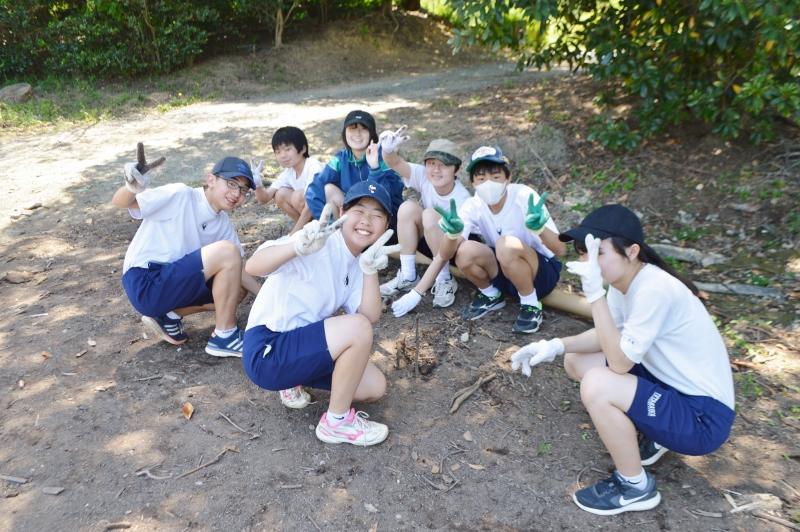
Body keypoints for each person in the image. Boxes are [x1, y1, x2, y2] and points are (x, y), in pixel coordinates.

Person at [510, 204, 735, 515]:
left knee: (597, 385)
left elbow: (619, 364)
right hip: (671, 385)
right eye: (583, 253)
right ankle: (656, 434)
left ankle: (635, 486)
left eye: (597, 252)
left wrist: (594, 295)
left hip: (702, 418)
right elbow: (607, 335)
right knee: (576, 361)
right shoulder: (623, 283)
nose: (587, 262)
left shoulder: (654, 289)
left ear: (632, 251)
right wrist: (555, 345)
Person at [243, 180, 400, 446]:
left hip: (296, 347)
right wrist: (296, 247)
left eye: (377, 215)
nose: (366, 220)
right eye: (359, 211)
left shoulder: (358, 263)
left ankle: (292, 381)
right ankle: (336, 423)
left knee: (373, 386)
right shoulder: (318, 239)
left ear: (385, 226)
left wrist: (370, 271)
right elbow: (253, 266)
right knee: (357, 328)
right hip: (267, 349)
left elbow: (370, 315)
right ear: (342, 213)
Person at [112, 154, 261, 358]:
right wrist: (132, 187)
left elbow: (239, 270)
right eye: (232, 183)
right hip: (146, 281)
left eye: (243, 190)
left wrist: (266, 296)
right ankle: (225, 335)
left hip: (171, 282)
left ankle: (169, 316)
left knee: (238, 289)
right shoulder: (181, 195)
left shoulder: (223, 224)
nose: (237, 193)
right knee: (228, 252)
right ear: (211, 180)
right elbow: (121, 202)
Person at [436, 146, 566, 333]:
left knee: (505, 244)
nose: (488, 183)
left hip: (540, 273)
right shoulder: (473, 205)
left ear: (508, 177)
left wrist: (540, 229)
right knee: (465, 251)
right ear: (473, 183)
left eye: (496, 177)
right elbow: (446, 254)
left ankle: (531, 305)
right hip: (505, 273)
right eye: (481, 179)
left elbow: (561, 250)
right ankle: (491, 294)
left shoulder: (524, 196)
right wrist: (451, 235)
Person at [376, 127, 471, 314]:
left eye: (443, 165)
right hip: (428, 238)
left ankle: (444, 278)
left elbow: (460, 239)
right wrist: (387, 150)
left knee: (429, 214)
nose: (436, 170)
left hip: (452, 249)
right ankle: (408, 275)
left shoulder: (463, 198)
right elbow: (395, 162)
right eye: (431, 163)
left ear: (457, 169)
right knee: (408, 207)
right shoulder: (424, 176)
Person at [304, 110, 404, 221]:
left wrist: (375, 168)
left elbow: (389, 195)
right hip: (356, 212)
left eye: (364, 128)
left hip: (382, 216)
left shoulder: (384, 156)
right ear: (345, 133)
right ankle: (334, 229)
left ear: (372, 134)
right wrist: (324, 220)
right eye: (352, 128)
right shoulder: (341, 158)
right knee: (329, 189)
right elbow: (314, 188)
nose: (357, 133)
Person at [252, 126, 324, 234]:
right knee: (280, 194)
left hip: (328, 214)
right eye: (278, 152)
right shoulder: (288, 172)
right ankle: (307, 230)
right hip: (313, 215)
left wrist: (293, 234)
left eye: (287, 149)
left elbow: (311, 204)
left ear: (303, 149)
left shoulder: (313, 167)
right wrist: (257, 184)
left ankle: (303, 231)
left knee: (298, 196)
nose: (283, 156)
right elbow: (264, 199)